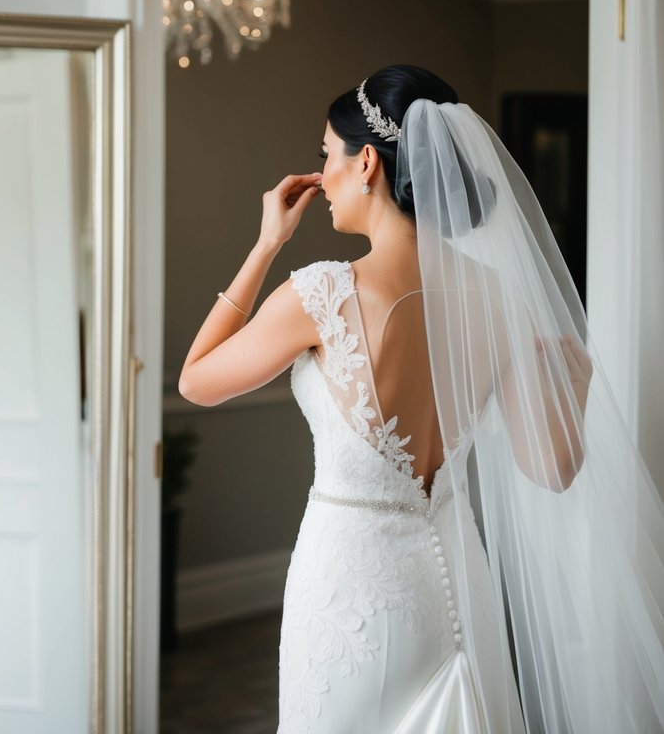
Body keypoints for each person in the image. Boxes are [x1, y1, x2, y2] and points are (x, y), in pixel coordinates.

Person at [179, 65, 664, 732]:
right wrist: (571, 386)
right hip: (455, 588)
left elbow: (194, 380)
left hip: (352, 591)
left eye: (327, 155)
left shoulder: (322, 295)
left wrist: (266, 244)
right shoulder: (496, 297)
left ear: (367, 162)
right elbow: (552, 470)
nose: (321, 178)